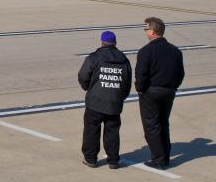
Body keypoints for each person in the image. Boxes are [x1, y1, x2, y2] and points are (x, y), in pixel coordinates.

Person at [77, 31, 132, 169]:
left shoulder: (94, 58)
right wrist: (119, 97)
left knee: (91, 130)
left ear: (102, 42)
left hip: (95, 101)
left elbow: (83, 76)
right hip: (114, 103)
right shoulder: (124, 60)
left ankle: (90, 158)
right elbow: (127, 82)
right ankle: (113, 160)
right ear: (115, 43)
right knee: (112, 131)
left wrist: (88, 88)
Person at [136, 17, 184, 169]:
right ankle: (165, 156)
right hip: (169, 92)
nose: (145, 31)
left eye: (146, 29)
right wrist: (172, 87)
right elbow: (180, 74)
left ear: (152, 32)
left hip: (151, 92)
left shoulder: (146, 51)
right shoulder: (175, 51)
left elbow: (141, 75)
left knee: (151, 126)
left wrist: (141, 89)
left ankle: (159, 159)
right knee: (163, 123)